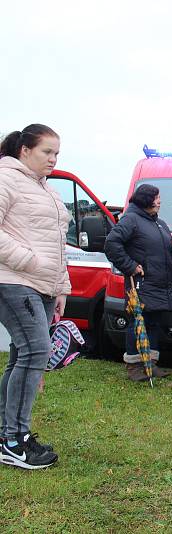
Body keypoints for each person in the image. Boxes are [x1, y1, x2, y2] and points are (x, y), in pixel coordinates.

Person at [0, 124, 69, 469]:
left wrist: (60, 286)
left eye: (57, 153)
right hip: (13, 279)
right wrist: (29, 261)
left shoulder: (46, 190)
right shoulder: (6, 178)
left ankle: (8, 435)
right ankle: (14, 440)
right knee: (35, 352)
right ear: (25, 151)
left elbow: (57, 243)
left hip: (42, 284)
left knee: (21, 356)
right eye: (47, 152)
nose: (53, 159)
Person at [105, 184, 172, 382]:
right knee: (137, 323)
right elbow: (111, 244)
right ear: (146, 199)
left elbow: (169, 248)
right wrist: (131, 266)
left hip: (158, 283)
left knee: (153, 323)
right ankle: (135, 366)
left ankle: (150, 364)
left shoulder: (158, 223)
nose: (160, 201)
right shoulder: (131, 219)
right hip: (141, 284)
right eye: (157, 197)